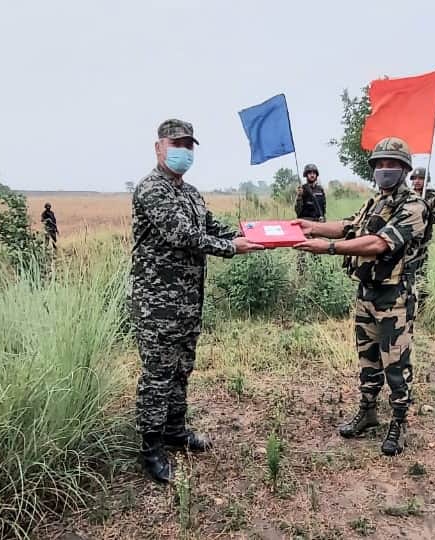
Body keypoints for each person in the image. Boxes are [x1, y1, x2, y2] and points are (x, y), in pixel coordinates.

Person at [130, 118, 264, 483]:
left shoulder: (189, 192)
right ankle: (151, 448)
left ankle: (175, 431)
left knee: (182, 368)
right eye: (176, 144)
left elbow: (209, 226)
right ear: (158, 147)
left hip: (188, 300)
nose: (183, 151)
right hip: (157, 304)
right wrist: (232, 247)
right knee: (158, 375)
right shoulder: (152, 189)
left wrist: (255, 234)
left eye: (189, 145)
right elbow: (184, 235)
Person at [293, 137, 427, 456]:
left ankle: (398, 422)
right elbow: (349, 226)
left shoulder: (414, 207)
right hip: (367, 292)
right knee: (368, 358)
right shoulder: (376, 202)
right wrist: (311, 226)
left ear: (405, 169)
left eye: (391, 164)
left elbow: (379, 243)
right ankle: (367, 411)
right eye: (380, 164)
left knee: (395, 363)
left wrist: (328, 248)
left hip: (394, 296)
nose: (384, 169)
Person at [410, 167, 435, 298]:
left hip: (422, 240)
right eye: (415, 178)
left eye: (421, 178)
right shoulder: (407, 195)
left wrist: (427, 215)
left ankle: (422, 301)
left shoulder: (432, 197)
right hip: (406, 238)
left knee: (421, 272)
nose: (417, 181)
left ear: (426, 180)